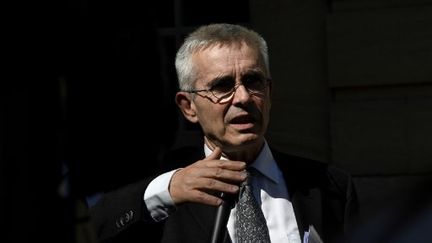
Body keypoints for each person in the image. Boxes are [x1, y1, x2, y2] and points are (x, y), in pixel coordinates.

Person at [90, 23, 359, 243]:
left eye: (253, 81)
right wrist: (169, 190)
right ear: (188, 107)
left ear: (270, 92)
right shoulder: (165, 188)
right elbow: (97, 225)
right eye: (222, 86)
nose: (242, 97)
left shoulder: (329, 185)